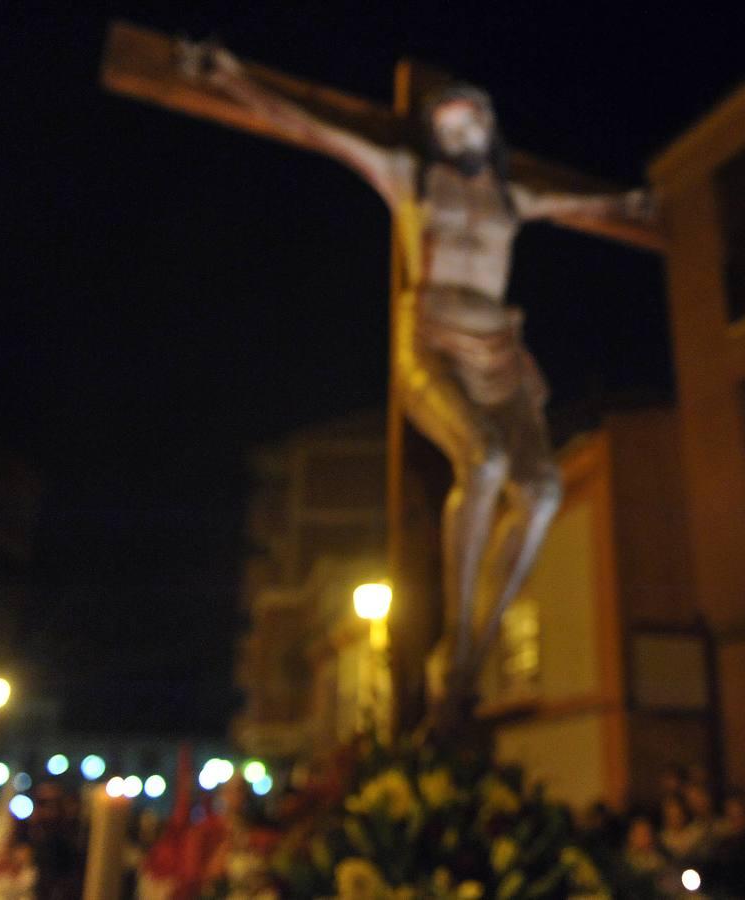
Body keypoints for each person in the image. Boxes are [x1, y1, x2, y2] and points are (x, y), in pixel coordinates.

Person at [187, 43, 657, 727]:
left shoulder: (510, 194)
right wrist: (233, 78)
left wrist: (633, 202)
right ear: (434, 135)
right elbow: (314, 128)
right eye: (449, 125)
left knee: (544, 490)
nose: (461, 134)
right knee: (485, 459)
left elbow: (581, 203)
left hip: (500, 350)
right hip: (432, 341)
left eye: (472, 124)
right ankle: (459, 640)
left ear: (489, 131)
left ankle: (469, 654)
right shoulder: (409, 177)